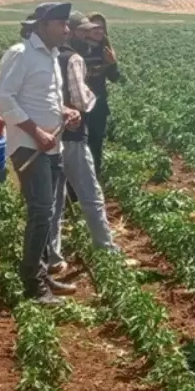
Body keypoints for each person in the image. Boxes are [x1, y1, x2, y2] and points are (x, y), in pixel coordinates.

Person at [0, 3, 83, 304]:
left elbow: (43, 99)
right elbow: (3, 99)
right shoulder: (21, 54)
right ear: (43, 25)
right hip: (30, 147)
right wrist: (37, 132)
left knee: (47, 213)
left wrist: (65, 111)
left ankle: (42, 275)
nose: (67, 30)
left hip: (50, 146)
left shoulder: (52, 56)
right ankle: (33, 284)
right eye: (61, 24)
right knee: (41, 212)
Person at [54, 17, 123, 265]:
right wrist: (89, 98)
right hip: (74, 125)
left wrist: (110, 65)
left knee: (55, 196)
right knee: (88, 190)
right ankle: (104, 245)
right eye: (84, 31)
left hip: (58, 128)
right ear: (72, 32)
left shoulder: (50, 56)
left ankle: (53, 254)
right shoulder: (72, 57)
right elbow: (81, 99)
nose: (89, 35)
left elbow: (116, 76)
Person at [76, 14, 121, 178]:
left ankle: (95, 179)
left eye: (101, 27)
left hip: (99, 105)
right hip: (79, 104)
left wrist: (112, 63)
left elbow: (115, 78)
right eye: (95, 27)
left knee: (96, 145)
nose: (99, 31)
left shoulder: (105, 48)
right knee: (80, 144)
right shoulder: (77, 48)